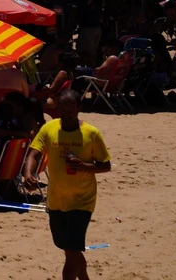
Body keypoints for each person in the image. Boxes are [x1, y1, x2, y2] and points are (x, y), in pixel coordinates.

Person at [23, 90, 112, 280]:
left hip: (83, 201)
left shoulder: (91, 133)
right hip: (56, 200)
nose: (66, 115)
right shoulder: (49, 129)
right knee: (69, 249)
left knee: (71, 253)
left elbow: (105, 165)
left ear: (79, 109)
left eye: (71, 111)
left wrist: (84, 166)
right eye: (62, 110)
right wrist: (28, 172)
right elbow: (33, 154)